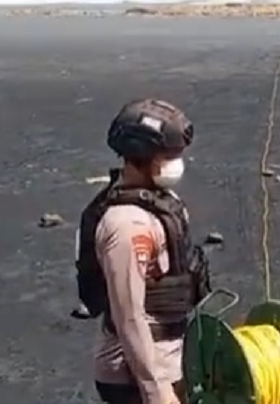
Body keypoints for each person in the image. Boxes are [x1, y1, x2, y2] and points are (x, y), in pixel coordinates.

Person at [73, 99, 211, 404]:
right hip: (133, 377)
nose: (177, 163)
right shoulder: (126, 226)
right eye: (169, 156)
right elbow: (129, 317)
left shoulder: (163, 202)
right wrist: (155, 390)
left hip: (170, 360)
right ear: (141, 156)